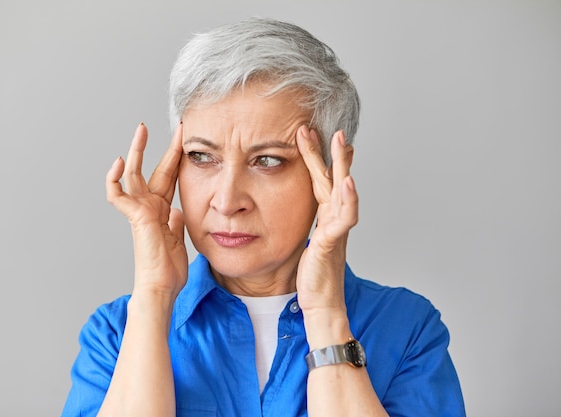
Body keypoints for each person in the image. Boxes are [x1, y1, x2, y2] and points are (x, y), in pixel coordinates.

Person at [62, 18, 465, 417]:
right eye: (202, 156)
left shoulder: (406, 328)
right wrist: (153, 297)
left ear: (332, 173)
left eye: (268, 160)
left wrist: (325, 314)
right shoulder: (116, 335)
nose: (227, 200)